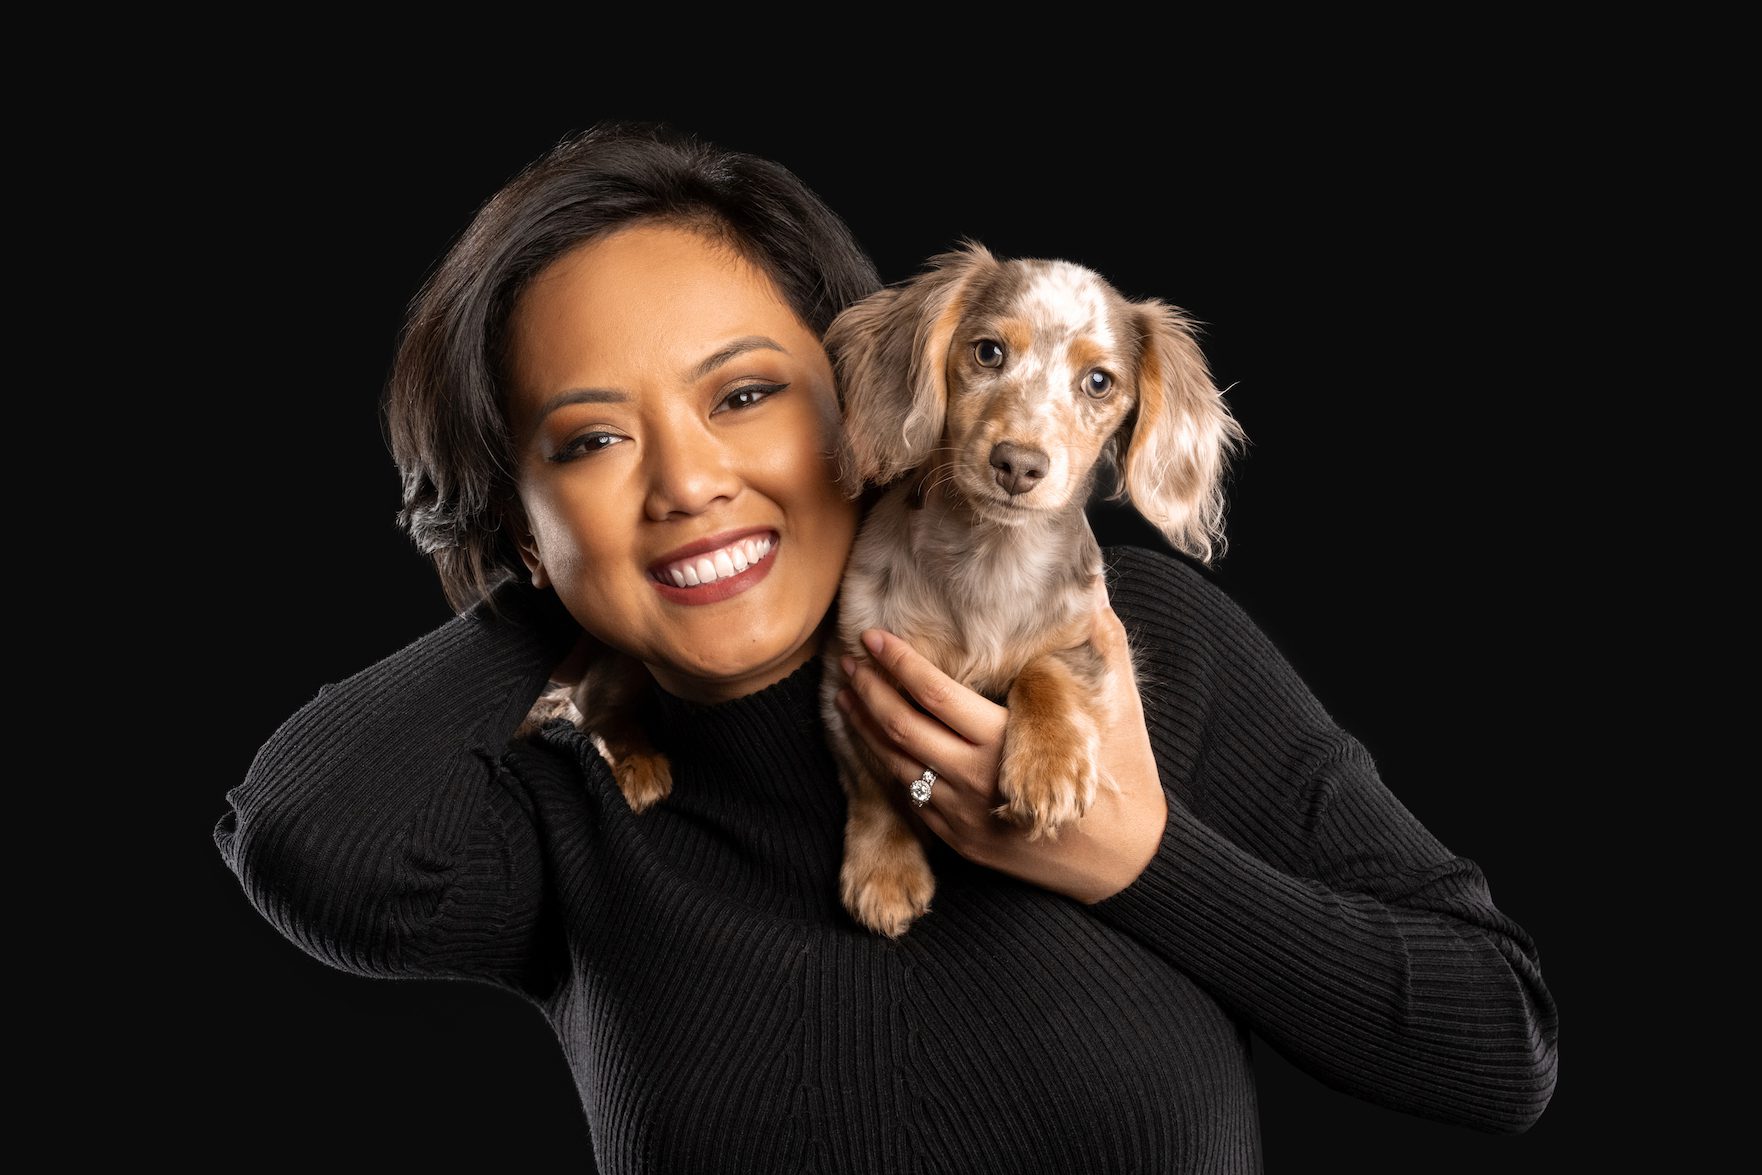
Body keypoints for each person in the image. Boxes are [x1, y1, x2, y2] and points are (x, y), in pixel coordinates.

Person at [212, 120, 1558, 1172]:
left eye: (743, 396)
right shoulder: (584, 802)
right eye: (592, 437)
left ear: (872, 392)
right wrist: (575, 563)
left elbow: (1496, 1049)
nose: (687, 481)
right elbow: (305, 839)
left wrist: (1141, 863)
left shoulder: (1127, 643)